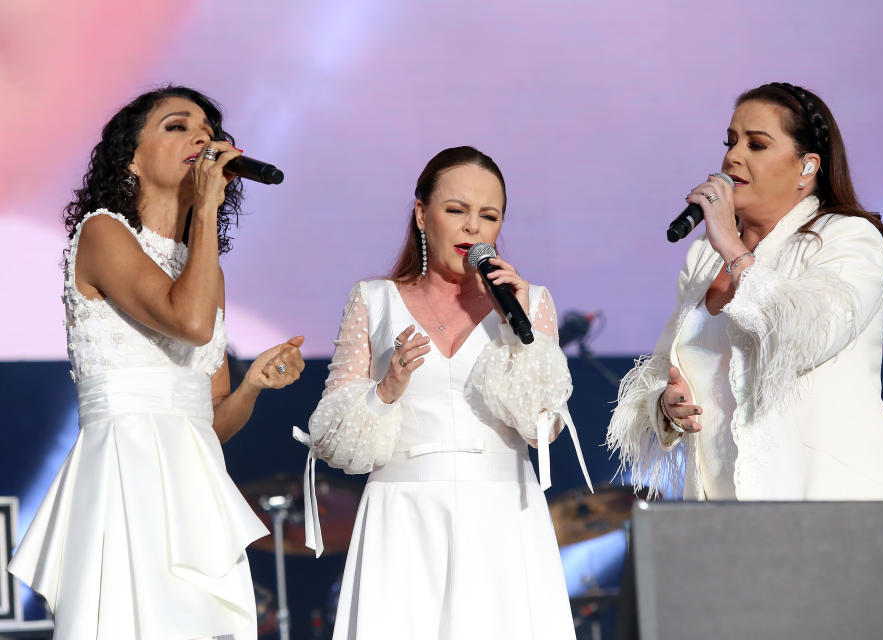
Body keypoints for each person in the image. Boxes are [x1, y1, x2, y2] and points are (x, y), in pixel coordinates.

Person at [9, 86, 306, 639]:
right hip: (126, 474)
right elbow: (189, 323)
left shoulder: (204, 269)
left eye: (208, 128)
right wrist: (209, 208)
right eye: (176, 125)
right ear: (131, 158)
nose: (201, 136)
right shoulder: (102, 232)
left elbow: (208, 421)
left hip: (193, 486)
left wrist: (251, 389)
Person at [293, 146, 591, 639]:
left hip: (501, 514)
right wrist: (385, 391)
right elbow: (333, 438)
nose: (473, 228)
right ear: (421, 214)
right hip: (403, 514)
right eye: (457, 210)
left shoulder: (529, 303)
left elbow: (545, 428)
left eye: (488, 216)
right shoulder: (373, 298)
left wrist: (516, 331)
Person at [607, 82, 883, 501]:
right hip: (729, 513)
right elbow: (666, 367)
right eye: (731, 141)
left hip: (832, 500)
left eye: (756, 145)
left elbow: (810, 335)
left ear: (807, 167)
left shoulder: (847, 237)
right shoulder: (703, 257)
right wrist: (667, 404)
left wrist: (734, 250)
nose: (732, 156)